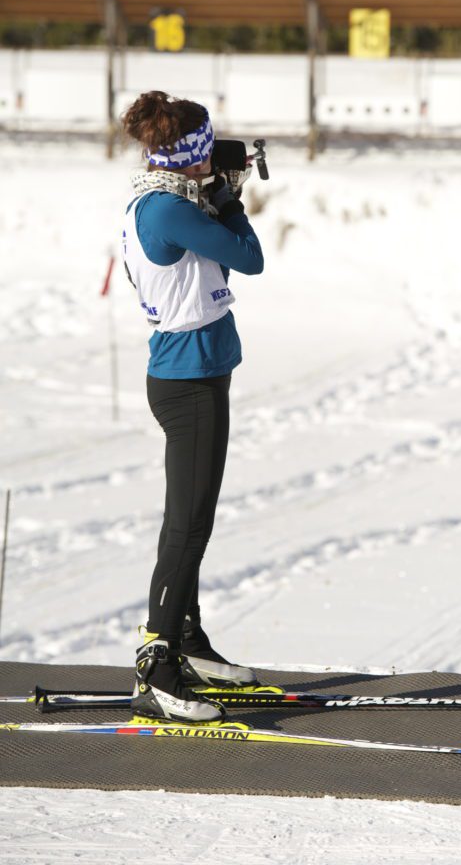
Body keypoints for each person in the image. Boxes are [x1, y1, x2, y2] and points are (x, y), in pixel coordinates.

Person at [121, 91, 264, 723]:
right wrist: (231, 198)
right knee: (189, 526)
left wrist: (216, 191)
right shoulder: (169, 211)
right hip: (190, 384)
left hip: (192, 375)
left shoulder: (168, 199)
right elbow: (250, 259)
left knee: (188, 520)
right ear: (190, 156)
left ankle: (186, 640)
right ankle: (157, 663)